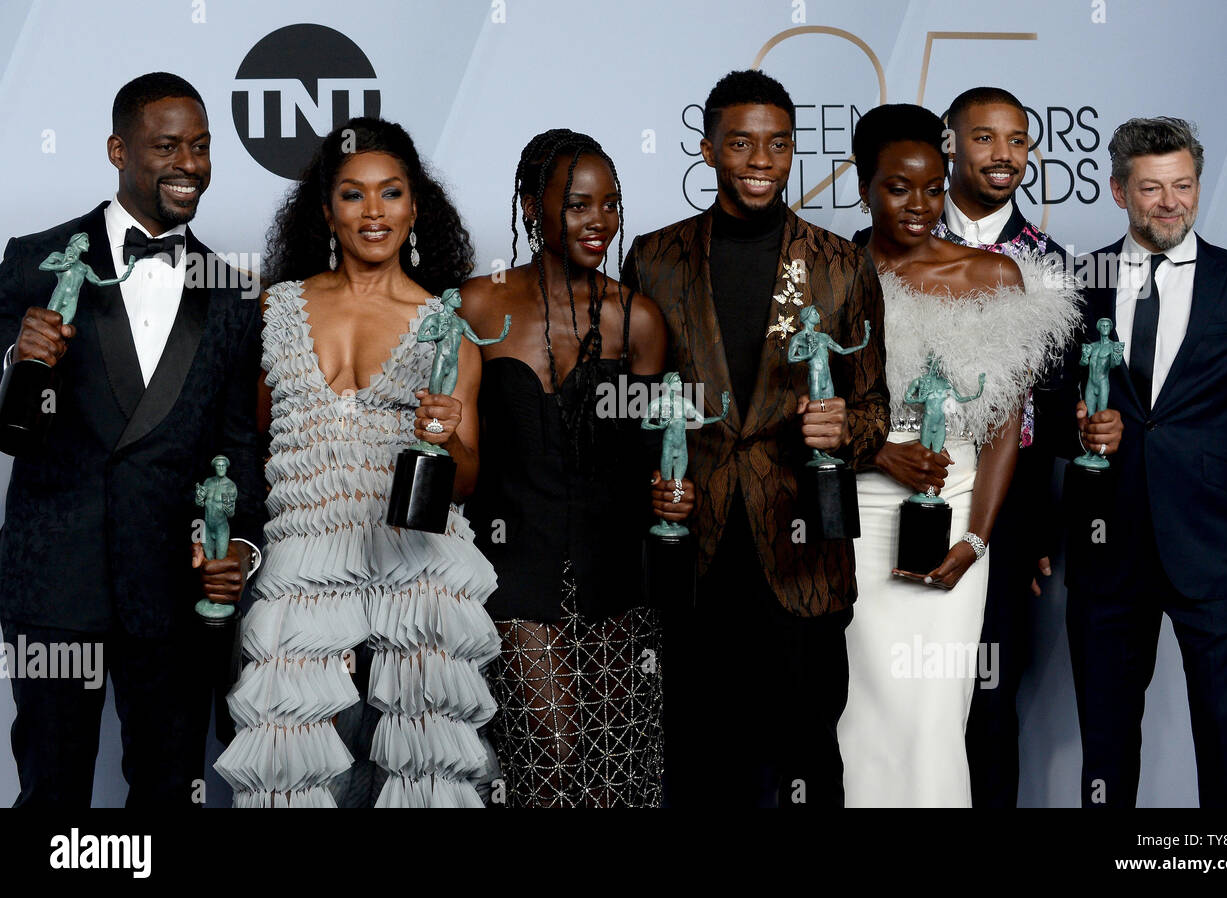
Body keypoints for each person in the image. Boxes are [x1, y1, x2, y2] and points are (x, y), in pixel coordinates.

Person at [214, 117, 500, 807]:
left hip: (419, 587)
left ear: (415, 207)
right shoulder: (274, 312)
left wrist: (450, 431)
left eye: (391, 193)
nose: (374, 212)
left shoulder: (446, 325)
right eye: (353, 195)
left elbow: (463, 479)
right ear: (325, 211)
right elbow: (251, 451)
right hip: (300, 588)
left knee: (413, 781)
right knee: (301, 780)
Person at [622, 70, 890, 808]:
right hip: (692, 552)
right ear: (708, 149)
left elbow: (874, 407)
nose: (760, 160)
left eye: (777, 144)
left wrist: (845, 429)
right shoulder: (653, 258)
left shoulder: (842, 265)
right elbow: (626, 405)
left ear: (795, 151)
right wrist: (653, 471)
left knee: (805, 759)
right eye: (741, 143)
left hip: (801, 546)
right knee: (697, 760)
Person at [0, 72, 266, 806]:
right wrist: (15, 360)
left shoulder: (235, 291)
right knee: (50, 795)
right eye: (168, 145)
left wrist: (238, 549)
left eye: (203, 146)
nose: (190, 163)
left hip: (174, 597)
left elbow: (240, 449)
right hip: (57, 586)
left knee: (168, 791)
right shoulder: (34, 257)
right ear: (119, 150)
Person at [1046, 117, 1227, 807]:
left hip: (1211, 549)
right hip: (1106, 548)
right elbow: (1038, 414)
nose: (1169, 203)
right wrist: (1074, 430)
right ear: (1118, 190)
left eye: (1183, 186)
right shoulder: (1076, 282)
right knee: (1106, 739)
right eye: (1151, 188)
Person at [837, 103, 1084, 807]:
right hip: (855, 523)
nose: (919, 204)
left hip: (955, 519)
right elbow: (802, 408)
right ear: (863, 187)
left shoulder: (993, 277)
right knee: (859, 716)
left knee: (937, 719)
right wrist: (880, 451)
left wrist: (975, 539)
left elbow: (1005, 425)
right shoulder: (829, 274)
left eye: (933, 185)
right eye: (896, 187)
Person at [459, 129, 669, 807]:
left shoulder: (637, 320)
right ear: (530, 206)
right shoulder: (477, 306)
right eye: (578, 204)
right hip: (513, 573)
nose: (599, 221)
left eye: (610, 204)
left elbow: (647, 451)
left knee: (613, 771)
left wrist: (672, 490)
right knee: (546, 755)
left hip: (617, 577)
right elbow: (458, 463)